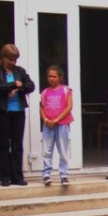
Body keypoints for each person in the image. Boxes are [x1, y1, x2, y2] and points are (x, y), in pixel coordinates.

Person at [0, 44, 36, 187]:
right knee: (3, 145)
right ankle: (4, 176)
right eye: (10, 60)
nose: (13, 63)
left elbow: (30, 86)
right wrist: (14, 85)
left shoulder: (20, 71)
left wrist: (20, 87)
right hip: (3, 112)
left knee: (17, 145)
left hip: (18, 112)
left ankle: (17, 176)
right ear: (3, 58)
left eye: (15, 60)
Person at [39, 65, 74, 186]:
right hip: (48, 125)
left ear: (60, 77)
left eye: (54, 76)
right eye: (49, 76)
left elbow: (69, 107)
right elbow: (42, 108)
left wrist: (57, 119)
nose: (51, 78)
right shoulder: (45, 92)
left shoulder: (66, 90)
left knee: (63, 150)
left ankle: (63, 174)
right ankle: (46, 174)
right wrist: (45, 119)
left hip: (62, 124)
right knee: (47, 150)